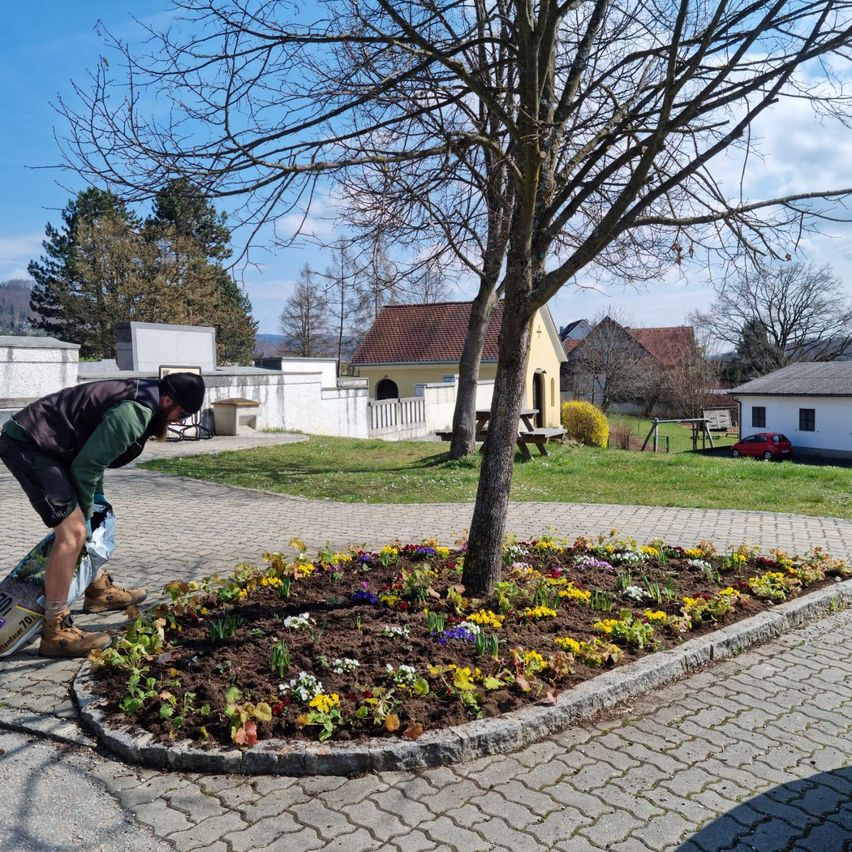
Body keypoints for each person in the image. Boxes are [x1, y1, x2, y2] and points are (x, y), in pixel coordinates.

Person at [0, 372, 206, 657]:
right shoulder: (134, 412)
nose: (179, 420)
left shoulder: (142, 398)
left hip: (52, 447)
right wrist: (83, 516)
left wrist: (95, 501)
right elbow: (86, 467)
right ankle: (56, 628)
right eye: (182, 412)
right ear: (168, 400)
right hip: (29, 444)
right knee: (73, 534)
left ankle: (95, 590)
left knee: (96, 520)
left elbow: (92, 458)